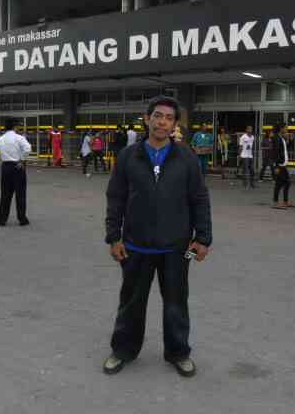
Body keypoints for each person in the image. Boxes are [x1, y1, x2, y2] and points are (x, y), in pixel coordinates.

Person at [104, 95, 212, 378]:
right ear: (147, 118)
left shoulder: (186, 156)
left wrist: (203, 239)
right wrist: (113, 238)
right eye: (157, 115)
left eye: (168, 118)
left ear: (175, 124)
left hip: (178, 248)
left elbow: (199, 198)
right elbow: (115, 198)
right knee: (131, 302)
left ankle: (179, 352)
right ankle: (123, 350)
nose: (162, 122)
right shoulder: (128, 155)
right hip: (134, 245)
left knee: (177, 302)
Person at [0, 118, 32, 227]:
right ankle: (22, 219)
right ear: (14, 126)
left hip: (5, 166)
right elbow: (28, 148)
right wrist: (22, 160)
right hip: (17, 167)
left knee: (5, 194)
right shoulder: (19, 138)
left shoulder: (1, 139)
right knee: (20, 194)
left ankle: (2, 219)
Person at [272, 127, 295, 209]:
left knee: (286, 183)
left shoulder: (282, 138)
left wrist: (291, 140)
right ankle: (275, 202)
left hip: (283, 165)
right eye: (285, 128)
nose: (286, 130)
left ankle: (285, 202)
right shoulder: (276, 138)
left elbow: (286, 149)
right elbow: (275, 152)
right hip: (280, 165)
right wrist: (276, 165)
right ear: (281, 129)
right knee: (279, 184)